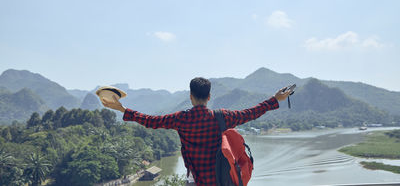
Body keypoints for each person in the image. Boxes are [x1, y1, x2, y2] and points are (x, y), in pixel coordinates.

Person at [101, 77, 293, 186]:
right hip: (219, 181)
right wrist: (275, 99)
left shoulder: (181, 119)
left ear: (191, 97)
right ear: (209, 97)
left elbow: (151, 121)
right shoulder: (222, 117)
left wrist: (122, 110)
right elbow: (251, 112)